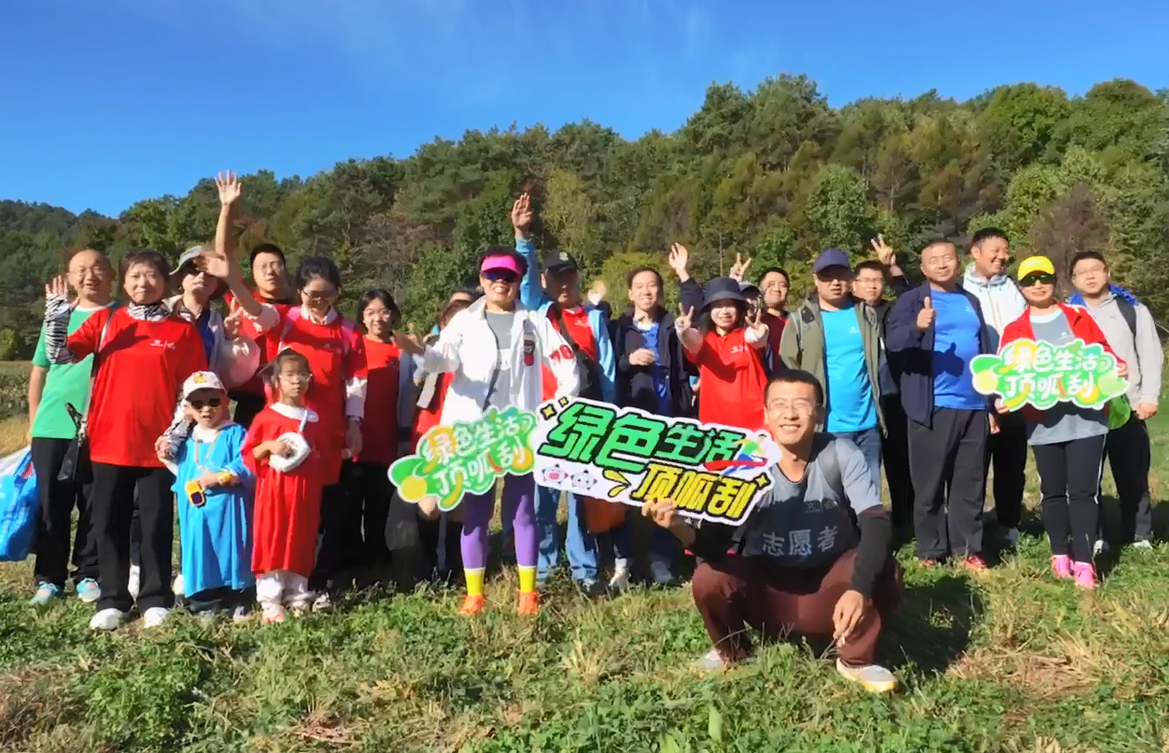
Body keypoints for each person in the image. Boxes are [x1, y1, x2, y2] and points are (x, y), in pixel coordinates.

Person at [643, 370, 900, 693]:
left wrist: (858, 589)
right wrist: (680, 528)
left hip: (830, 586)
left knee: (884, 569)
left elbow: (875, 521)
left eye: (801, 404)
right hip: (768, 591)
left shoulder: (841, 452)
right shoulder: (745, 462)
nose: (790, 414)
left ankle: (855, 659)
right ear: (765, 414)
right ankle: (732, 651)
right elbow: (715, 544)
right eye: (779, 404)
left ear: (820, 413)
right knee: (709, 578)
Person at [395, 247, 580, 616]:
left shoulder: (536, 322)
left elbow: (566, 366)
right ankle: (474, 594)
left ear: (519, 281)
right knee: (476, 513)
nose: (500, 282)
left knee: (523, 512)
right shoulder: (464, 321)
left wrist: (553, 411)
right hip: (474, 434)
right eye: (493, 275)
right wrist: (419, 351)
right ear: (481, 280)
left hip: (519, 432)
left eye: (509, 276)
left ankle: (528, 593)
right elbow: (443, 359)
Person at [42, 249, 208, 631]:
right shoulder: (106, 321)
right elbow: (60, 355)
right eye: (134, 275)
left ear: (164, 281)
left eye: (150, 275)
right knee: (107, 523)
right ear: (124, 281)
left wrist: (176, 434)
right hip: (108, 442)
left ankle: (155, 597)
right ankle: (112, 598)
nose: (142, 283)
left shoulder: (181, 331)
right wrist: (57, 316)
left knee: (155, 525)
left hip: (158, 448)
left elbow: (192, 390)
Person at [999, 256, 1125, 589]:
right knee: (1052, 491)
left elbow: (1103, 352)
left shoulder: (1078, 316)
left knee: (1083, 492)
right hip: (1043, 423)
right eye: (1030, 280)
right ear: (1021, 287)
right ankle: (1059, 554)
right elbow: (1007, 375)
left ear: (1055, 281)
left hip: (1087, 418)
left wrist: (1116, 365)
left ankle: (1084, 563)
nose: (1038, 285)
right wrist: (1005, 395)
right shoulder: (1015, 330)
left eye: (1044, 277)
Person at [513, 193, 617, 593]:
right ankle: (542, 569)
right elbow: (524, 279)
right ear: (545, 281)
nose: (564, 282)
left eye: (570, 274)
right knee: (543, 496)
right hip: (544, 417)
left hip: (585, 419)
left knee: (581, 497)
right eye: (556, 276)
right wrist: (522, 237)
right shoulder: (538, 311)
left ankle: (585, 571)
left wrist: (610, 414)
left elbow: (607, 371)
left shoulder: (594, 318)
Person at [253, 256, 368, 608]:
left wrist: (354, 422)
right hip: (284, 436)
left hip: (327, 433)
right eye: (312, 294)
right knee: (286, 511)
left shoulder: (348, 330)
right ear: (299, 290)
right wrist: (229, 272)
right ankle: (276, 584)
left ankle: (316, 582)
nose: (319, 301)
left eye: (327, 294)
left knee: (329, 509)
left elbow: (356, 381)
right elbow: (253, 309)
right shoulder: (285, 320)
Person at [886, 240, 993, 570]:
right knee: (929, 483)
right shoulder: (910, 301)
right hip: (932, 404)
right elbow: (893, 343)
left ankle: (968, 549)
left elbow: (984, 351)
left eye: (948, 258)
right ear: (923, 268)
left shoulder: (970, 300)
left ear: (957, 262)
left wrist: (991, 401)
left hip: (974, 404)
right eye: (934, 260)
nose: (942, 264)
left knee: (969, 483)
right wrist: (918, 327)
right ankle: (930, 550)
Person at [27, 249, 117, 606]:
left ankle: (88, 572)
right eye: (80, 270)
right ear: (69, 277)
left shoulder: (123, 315)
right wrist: (34, 421)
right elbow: (40, 370)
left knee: (95, 502)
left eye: (97, 268)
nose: (89, 275)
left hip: (103, 425)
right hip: (52, 425)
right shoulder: (59, 316)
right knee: (52, 504)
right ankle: (50, 577)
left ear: (112, 274)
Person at [1068, 250, 1161, 550]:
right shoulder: (1066, 313)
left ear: (1107, 272)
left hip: (1128, 406)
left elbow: (1150, 354)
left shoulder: (1132, 309)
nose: (1090, 276)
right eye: (1082, 272)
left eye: (1096, 269)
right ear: (1073, 280)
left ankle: (1139, 536)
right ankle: (1095, 536)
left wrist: (1149, 396)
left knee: (1133, 475)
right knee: (1086, 478)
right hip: (1083, 410)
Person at [608, 266, 695, 586]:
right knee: (624, 492)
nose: (647, 291)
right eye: (640, 286)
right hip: (633, 422)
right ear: (630, 293)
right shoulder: (618, 327)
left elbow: (697, 322)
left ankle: (662, 559)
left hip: (672, 417)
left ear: (660, 290)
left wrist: (684, 276)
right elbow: (607, 366)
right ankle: (623, 562)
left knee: (668, 490)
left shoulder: (673, 324)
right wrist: (628, 361)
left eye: (653, 285)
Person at [779, 249, 883, 484]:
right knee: (831, 492)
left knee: (869, 492)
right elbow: (788, 369)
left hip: (868, 425)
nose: (835, 282)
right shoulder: (800, 320)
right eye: (827, 276)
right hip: (826, 425)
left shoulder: (866, 314)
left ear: (850, 279)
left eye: (841, 275)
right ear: (816, 280)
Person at [159, 372, 254, 621]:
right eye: (198, 404)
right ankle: (205, 602)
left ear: (225, 401)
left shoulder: (235, 433)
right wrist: (166, 450)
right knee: (200, 553)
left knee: (232, 550)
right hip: (197, 512)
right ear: (188, 408)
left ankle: (238, 598)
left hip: (229, 508)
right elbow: (178, 465)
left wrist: (223, 476)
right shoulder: (188, 438)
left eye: (213, 402)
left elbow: (248, 462)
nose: (206, 409)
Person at [243, 349, 327, 624]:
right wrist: (269, 445)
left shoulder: (313, 418)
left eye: (302, 375)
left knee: (302, 538)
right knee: (274, 538)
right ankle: (270, 599)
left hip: (305, 492)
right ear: (277, 380)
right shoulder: (267, 417)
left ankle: (297, 593)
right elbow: (249, 453)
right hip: (275, 491)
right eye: (290, 375)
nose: (297, 381)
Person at [960, 228, 1027, 547]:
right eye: (995, 250)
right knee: (972, 464)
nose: (1002, 257)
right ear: (976, 252)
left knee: (1011, 463)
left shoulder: (1014, 289)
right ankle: (969, 529)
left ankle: (1008, 523)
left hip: (1013, 390)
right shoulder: (959, 290)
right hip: (973, 390)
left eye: (1005, 251)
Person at [345, 289, 414, 585]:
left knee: (379, 500)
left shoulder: (403, 350)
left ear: (393, 314)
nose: (377, 318)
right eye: (371, 312)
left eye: (383, 311)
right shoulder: (353, 346)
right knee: (351, 500)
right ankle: (352, 555)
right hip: (355, 435)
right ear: (362, 317)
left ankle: (377, 553)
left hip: (388, 435)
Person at [412, 296, 472, 583]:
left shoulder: (482, 360)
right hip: (431, 434)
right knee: (430, 504)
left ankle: (454, 567)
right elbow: (417, 381)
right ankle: (429, 564)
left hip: (466, 438)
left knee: (460, 503)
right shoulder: (434, 355)